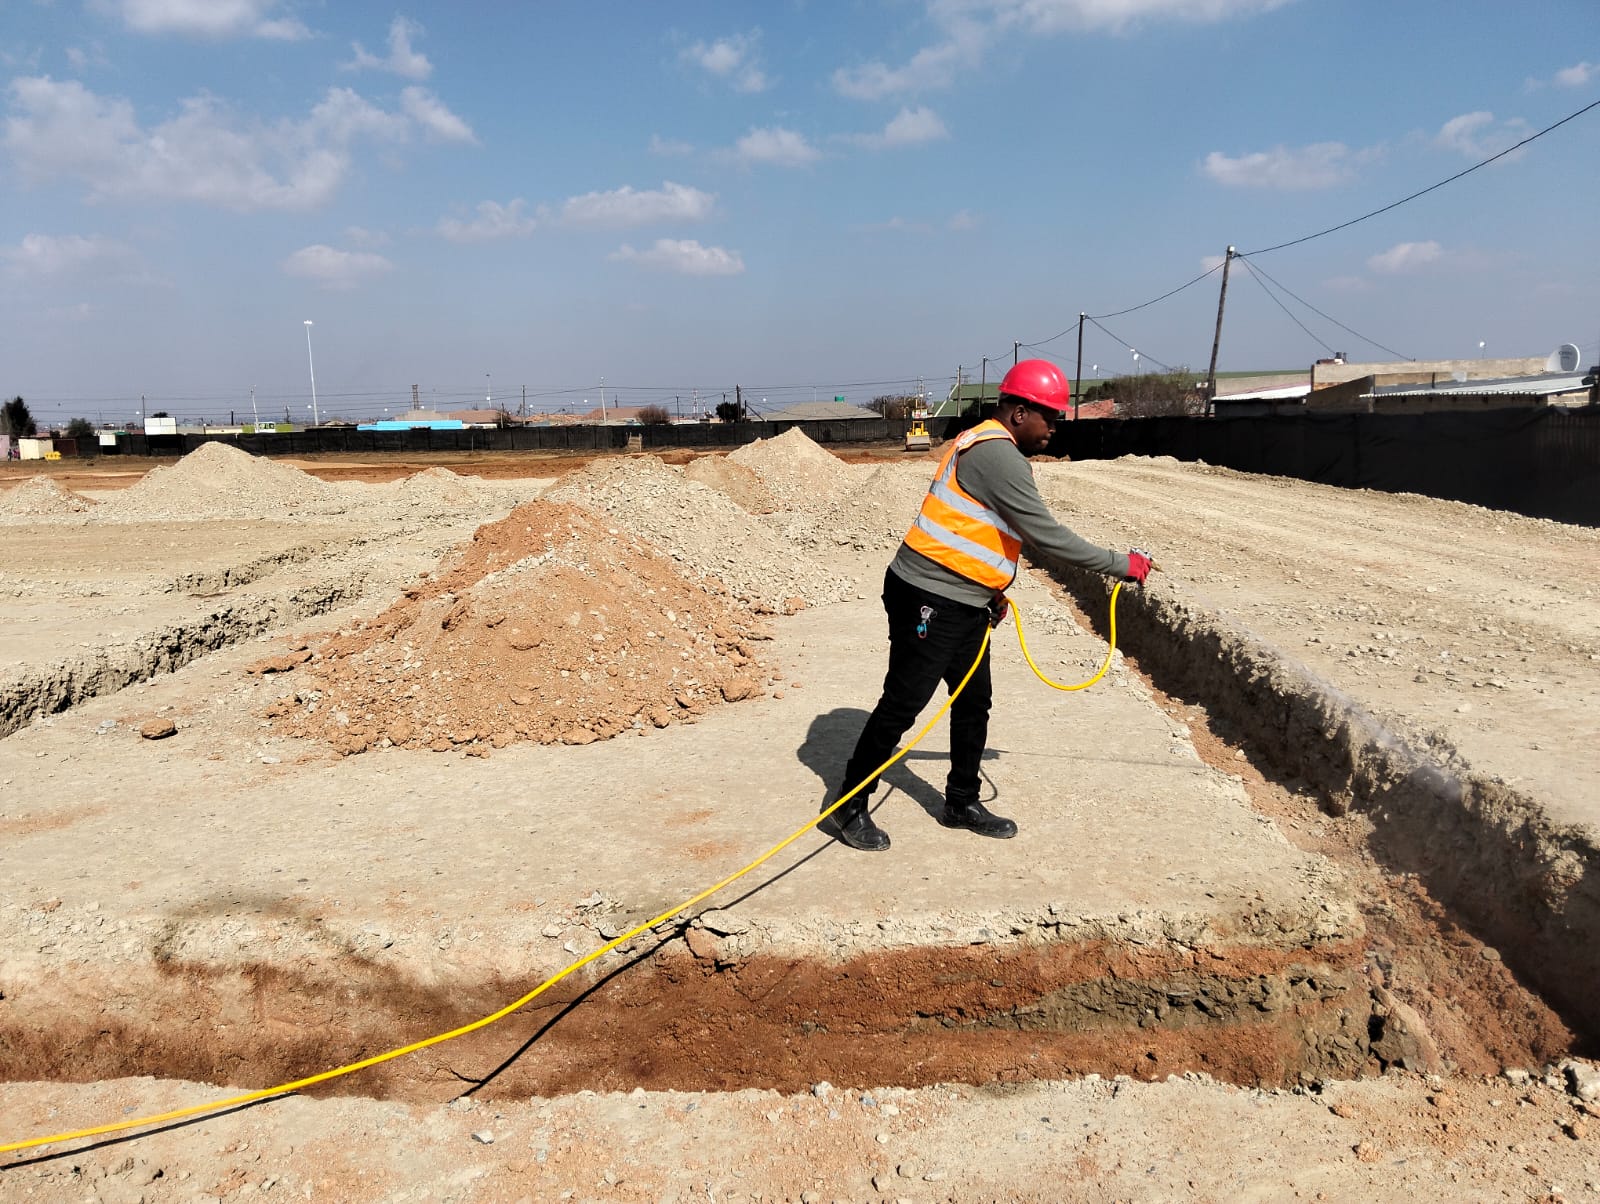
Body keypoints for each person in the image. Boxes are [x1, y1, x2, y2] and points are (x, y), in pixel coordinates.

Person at [828, 358, 1152, 852]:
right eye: (1051, 417)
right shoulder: (997, 455)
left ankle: (960, 801)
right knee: (903, 705)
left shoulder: (984, 442)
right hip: (929, 597)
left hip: (963, 599)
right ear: (1020, 412)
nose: (1054, 429)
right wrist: (1118, 563)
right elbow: (1045, 535)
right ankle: (847, 807)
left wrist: (989, 591)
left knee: (973, 701)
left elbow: (973, 531)